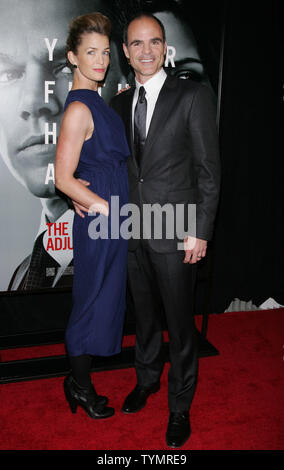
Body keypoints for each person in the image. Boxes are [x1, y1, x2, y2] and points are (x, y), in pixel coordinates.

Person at [109, 13, 221, 447]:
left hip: (177, 230)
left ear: (165, 46)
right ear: (126, 51)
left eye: (154, 42)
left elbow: (209, 169)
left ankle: (180, 405)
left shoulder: (192, 95)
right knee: (145, 318)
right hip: (134, 227)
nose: (147, 51)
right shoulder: (119, 104)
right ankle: (147, 380)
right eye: (137, 44)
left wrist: (201, 230)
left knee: (180, 323)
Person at [0, 0, 126, 291]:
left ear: (125, 82)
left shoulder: (138, 253)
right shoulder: (25, 271)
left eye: (68, 68)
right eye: (7, 74)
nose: (33, 103)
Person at [55, 12, 129, 419]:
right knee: (89, 301)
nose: (100, 60)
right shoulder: (80, 109)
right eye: (90, 52)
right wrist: (105, 207)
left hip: (112, 218)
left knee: (103, 300)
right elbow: (64, 179)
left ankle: (78, 380)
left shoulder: (97, 102)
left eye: (104, 52)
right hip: (102, 221)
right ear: (72, 57)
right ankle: (79, 386)